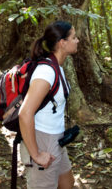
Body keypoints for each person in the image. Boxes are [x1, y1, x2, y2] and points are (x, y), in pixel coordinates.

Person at [19, 20, 79, 189]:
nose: (77, 40)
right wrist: (36, 154)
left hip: (57, 138)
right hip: (43, 138)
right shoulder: (46, 71)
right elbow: (25, 113)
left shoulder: (57, 66)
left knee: (67, 184)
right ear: (62, 43)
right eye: (74, 37)